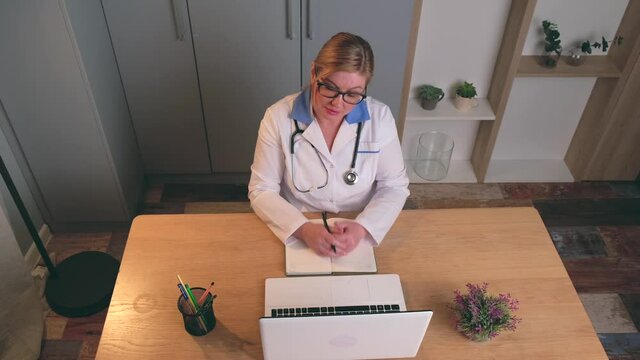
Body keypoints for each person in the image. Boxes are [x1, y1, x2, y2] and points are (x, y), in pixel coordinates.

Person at [248, 32, 409, 257]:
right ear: (314, 72)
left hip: (358, 221)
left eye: (353, 94)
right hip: (300, 222)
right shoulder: (277, 118)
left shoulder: (380, 119)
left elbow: (394, 186)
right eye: (331, 88)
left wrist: (364, 227)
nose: (338, 103)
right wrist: (303, 229)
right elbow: (262, 189)